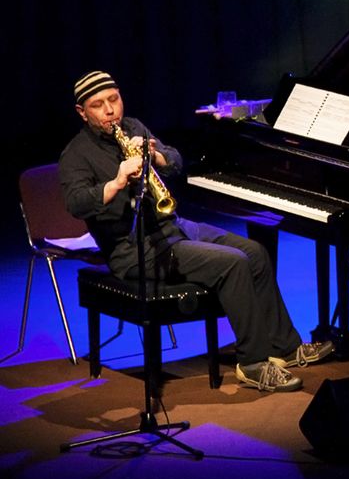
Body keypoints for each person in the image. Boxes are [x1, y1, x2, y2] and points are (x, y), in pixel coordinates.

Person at [58, 70, 332, 392]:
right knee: (233, 262)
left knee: (255, 253)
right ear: (82, 112)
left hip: (174, 227)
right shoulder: (75, 155)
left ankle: (284, 347)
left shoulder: (132, 128)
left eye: (114, 100)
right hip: (133, 249)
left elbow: (176, 159)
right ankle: (253, 363)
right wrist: (118, 182)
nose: (110, 111)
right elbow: (77, 204)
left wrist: (155, 155)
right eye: (98, 105)